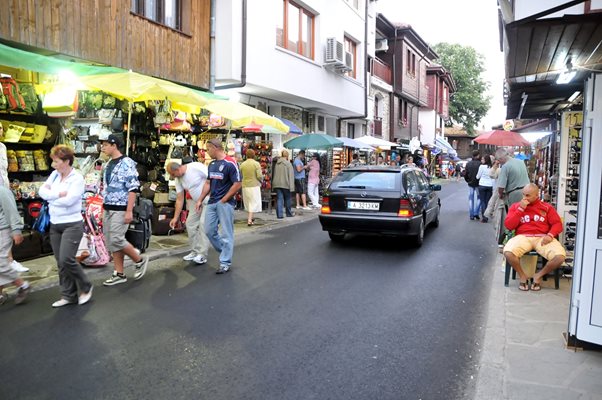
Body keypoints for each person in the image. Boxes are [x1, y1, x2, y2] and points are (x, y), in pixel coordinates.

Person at [39, 145, 93, 307]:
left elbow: (69, 201)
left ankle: (86, 285)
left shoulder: (77, 178)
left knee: (67, 259)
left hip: (72, 224)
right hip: (55, 224)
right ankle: (68, 295)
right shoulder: (54, 175)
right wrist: (56, 195)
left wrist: (51, 197)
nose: (53, 165)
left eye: (56, 161)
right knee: (60, 262)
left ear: (67, 161)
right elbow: (42, 192)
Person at [100, 134, 149, 286]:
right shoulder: (108, 163)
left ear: (114, 145)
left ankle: (139, 259)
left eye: (105, 144)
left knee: (116, 239)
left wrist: (129, 210)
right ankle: (119, 273)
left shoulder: (127, 163)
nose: (103, 147)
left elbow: (133, 188)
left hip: (121, 207)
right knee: (111, 242)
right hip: (108, 206)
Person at [503, 184, 566, 291]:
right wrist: (520, 209)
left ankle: (538, 276)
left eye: (528, 195)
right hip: (523, 237)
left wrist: (550, 235)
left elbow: (557, 224)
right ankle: (523, 276)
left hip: (542, 237)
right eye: (523, 195)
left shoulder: (547, 207)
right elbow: (509, 225)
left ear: (537, 195)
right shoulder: (516, 206)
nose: (524, 198)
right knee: (508, 252)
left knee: (560, 256)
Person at [195, 138, 242, 274]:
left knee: (226, 233)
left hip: (225, 203)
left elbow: (237, 183)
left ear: (215, 148)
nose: (207, 152)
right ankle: (225, 250)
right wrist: (200, 200)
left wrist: (225, 199)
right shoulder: (212, 164)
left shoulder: (231, 163)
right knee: (209, 230)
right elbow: (208, 183)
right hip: (212, 202)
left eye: (208, 149)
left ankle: (225, 262)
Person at [167, 161, 210, 265]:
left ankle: (202, 254)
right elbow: (179, 199)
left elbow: (211, 179)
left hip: (209, 200)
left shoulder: (195, 167)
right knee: (190, 224)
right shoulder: (178, 179)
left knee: (203, 224)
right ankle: (195, 251)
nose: (172, 177)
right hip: (197, 203)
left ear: (177, 169)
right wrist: (175, 218)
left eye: (172, 174)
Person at [0, 132, 28, 273]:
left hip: (3, 189)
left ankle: (9, 261)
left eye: (0, 128)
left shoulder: (3, 147)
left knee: (5, 227)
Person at [0, 184, 29, 305]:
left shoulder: (2, 191)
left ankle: (22, 285)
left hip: (3, 229)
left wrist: (16, 230)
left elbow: (11, 210)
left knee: (1, 263)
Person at [239, 149, 263, 225]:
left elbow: (240, 175)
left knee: (248, 202)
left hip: (245, 185)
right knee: (253, 203)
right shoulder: (256, 164)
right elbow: (259, 176)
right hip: (254, 185)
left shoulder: (242, 164)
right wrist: (261, 181)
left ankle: (250, 218)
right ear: (253, 155)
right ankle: (249, 220)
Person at [272, 150, 295, 219]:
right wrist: (292, 187)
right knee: (288, 198)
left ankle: (280, 215)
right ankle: (288, 213)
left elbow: (274, 173)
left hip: (277, 183)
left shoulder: (277, 163)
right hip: (286, 184)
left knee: (279, 199)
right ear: (287, 156)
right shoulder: (288, 164)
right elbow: (291, 176)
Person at [476, 155, 495, 223]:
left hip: (482, 185)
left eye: (483, 159)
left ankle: (484, 217)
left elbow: (478, 176)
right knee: (487, 202)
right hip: (490, 185)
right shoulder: (492, 167)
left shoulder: (481, 166)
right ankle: (486, 216)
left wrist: (477, 177)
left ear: (485, 160)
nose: (482, 160)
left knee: (482, 201)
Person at [464, 150, 482, 220]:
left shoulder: (468, 163)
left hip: (470, 183)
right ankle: (476, 212)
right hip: (478, 183)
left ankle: (471, 214)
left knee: (471, 199)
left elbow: (465, 174)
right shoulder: (480, 164)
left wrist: (468, 180)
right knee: (479, 198)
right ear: (477, 155)